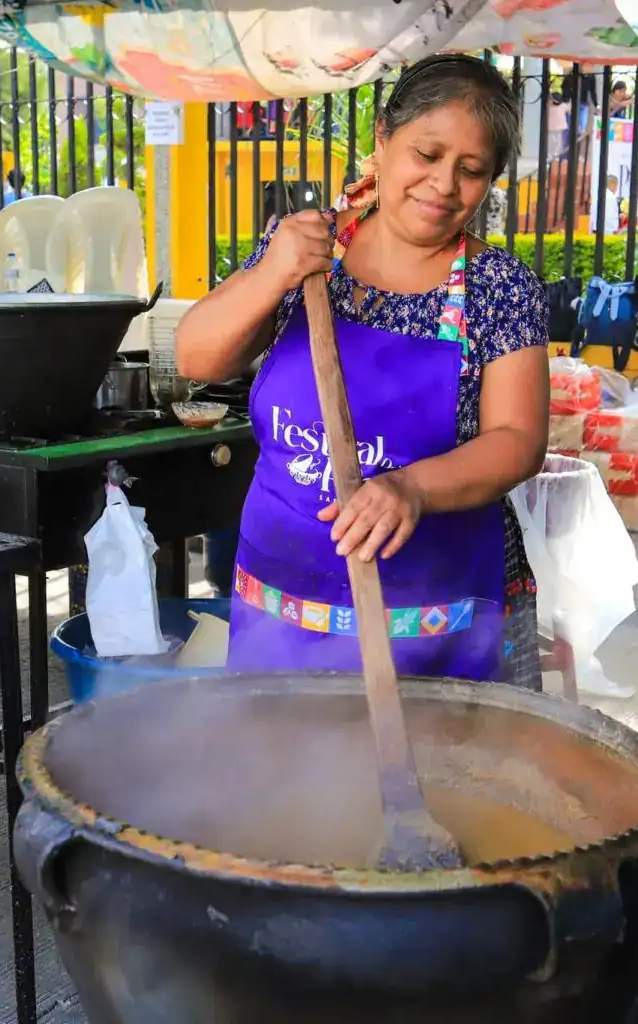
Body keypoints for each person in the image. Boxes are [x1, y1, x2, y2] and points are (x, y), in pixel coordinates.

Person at [176, 54, 550, 688]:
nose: (442, 185)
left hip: (434, 613)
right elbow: (198, 359)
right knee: (283, 768)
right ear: (383, 138)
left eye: (471, 170)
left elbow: (518, 441)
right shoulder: (309, 249)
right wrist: (274, 272)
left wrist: (412, 489)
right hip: (282, 593)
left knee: (446, 778)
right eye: (426, 155)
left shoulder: (500, 287)